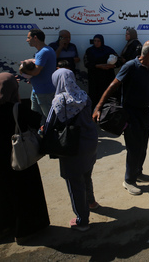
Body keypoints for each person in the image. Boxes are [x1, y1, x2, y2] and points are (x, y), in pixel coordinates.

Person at [0, 73, 50, 245]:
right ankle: (24, 232)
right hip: (19, 159)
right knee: (24, 193)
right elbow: (37, 121)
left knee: (1, 192)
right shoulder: (18, 110)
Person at [93, 41, 149, 196]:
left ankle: (138, 172)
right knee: (133, 147)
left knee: (143, 144)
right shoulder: (130, 66)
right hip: (130, 113)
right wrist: (98, 107)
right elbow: (113, 86)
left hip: (145, 111)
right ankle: (129, 180)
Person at [44, 69, 98, 231]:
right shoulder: (84, 95)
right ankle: (91, 202)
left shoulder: (60, 100)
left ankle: (82, 220)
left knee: (75, 183)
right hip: (90, 142)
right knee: (86, 174)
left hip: (72, 146)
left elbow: (48, 126)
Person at [21, 29, 56, 121]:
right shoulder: (43, 51)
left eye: (29, 38)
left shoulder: (43, 52)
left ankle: (52, 134)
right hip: (38, 89)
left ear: (35, 38)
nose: (27, 40)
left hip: (44, 91)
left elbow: (36, 72)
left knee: (49, 118)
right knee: (36, 116)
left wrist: (22, 70)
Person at [84, 34, 117, 108]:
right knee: (94, 96)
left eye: (98, 41)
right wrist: (98, 66)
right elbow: (86, 63)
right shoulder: (89, 51)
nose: (96, 42)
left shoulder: (108, 50)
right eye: (95, 41)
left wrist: (112, 66)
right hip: (94, 78)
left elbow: (118, 60)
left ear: (102, 41)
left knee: (107, 95)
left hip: (106, 78)